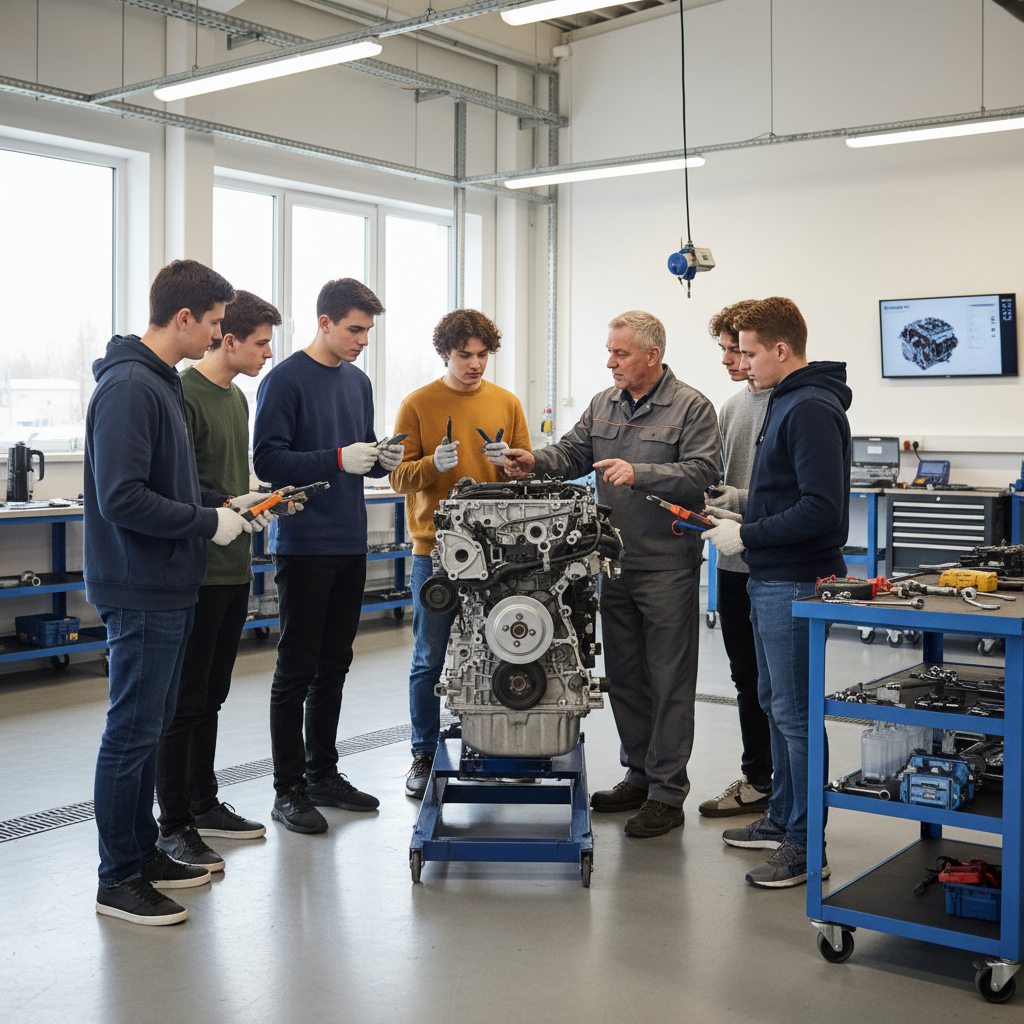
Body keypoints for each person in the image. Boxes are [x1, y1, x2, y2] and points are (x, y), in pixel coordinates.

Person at [504, 310, 720, 837]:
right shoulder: (604, 404)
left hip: (667, 565)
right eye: (610, 352)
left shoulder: (692, 407)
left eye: (620, 354)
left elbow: (704, 474)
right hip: (612, 562)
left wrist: (640, 471)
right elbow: (575, 452)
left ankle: (668, 793)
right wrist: (533, 460)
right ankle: (639, 774)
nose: (610, 362)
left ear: (652, 355)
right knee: (625, 676)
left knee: (669, 680)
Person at [86, 260, 255, 926]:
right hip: (140, 586)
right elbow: (122, 497)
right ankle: (117, 878)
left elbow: (170, 489)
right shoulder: (131, 387)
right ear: (183, 317)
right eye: (215, 324)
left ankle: (143, 854)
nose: (219, 337)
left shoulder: (158, 385)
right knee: (130, 735)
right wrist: (206, 522)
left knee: (151, 728)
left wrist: (224, 503)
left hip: (170, 583)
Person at [701, 296, 851, 888]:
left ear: (781, 350)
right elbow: (791, 492)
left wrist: (748, 533)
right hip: (770, 574)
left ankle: (804, 845)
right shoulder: (785, 401)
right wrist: (746, 507)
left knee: (795, 715)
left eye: (751, 351)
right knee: (774, 700)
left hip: (793, 577)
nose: (742, 361)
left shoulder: (809, 406)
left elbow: (822, 511)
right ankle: (783, 816)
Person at [253, 278, 404, 834]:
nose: (363, 341)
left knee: (335, 666)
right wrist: (339, 457)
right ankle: (287, 790)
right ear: (324, 323)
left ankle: (323, 774)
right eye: (354, 330)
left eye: (368, 331)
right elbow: (269, 461)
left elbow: (359, 455)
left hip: (349, 539)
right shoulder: (284, 381)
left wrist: (384, 457)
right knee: (296, 669)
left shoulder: (358, 383)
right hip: (305, 544)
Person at [155, 290, 297, 870]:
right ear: (227, 338)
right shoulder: (181, 394)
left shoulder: (237, 398)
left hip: (235, 565)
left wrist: (263, 502)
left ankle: (205, 802)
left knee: (212, 696)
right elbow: (179, 488)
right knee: (184, 702)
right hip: (196, 568)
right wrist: (231, 504)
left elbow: (231, 481)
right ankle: (175, 823)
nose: (268, 353)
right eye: (261, 342)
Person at [387, 309, 531, 799]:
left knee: (499, 649)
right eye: (464, 355)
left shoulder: (506, 403)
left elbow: (527, 474)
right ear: (445, 353)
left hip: (499, 551)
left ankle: (494, 745)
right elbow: (397, 478)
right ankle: (423, 752)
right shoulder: (418, 404)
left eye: (482, 355)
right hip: (437, 550)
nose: (475, 364)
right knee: (429, 657)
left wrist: (511, 463)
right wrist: (431, 464)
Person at [697, 301, 774, 818]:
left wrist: (738, 501)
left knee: (781, 690)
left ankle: (786, 792)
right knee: (745, 679)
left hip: (774, 564)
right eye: (725, 349)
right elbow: (720, 482)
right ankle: (757, 780)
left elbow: (788, 495)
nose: (730, 359)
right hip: (730, 565)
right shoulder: (730, 408)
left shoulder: (792, 405)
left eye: (738, 349)